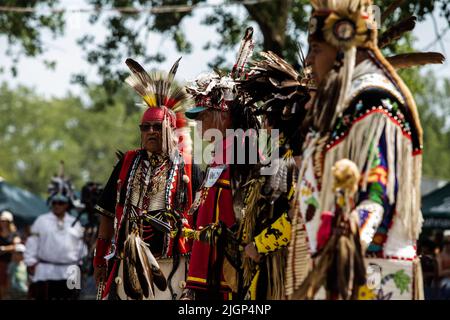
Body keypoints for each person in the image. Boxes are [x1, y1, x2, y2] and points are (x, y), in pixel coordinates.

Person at [288, 0, 443, 300]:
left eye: (316, 49)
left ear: (343, 43)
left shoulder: (373, 102)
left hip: (365, 278)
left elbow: (376, 194)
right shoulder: (349, 103)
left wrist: (343, 250)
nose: (308, 61)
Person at [93, 58, 196, 300]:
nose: (151, 132)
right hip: (128, 263)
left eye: (157, 127)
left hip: (174, 264)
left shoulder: (188, 169)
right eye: (145, 127)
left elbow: (200, 220)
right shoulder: (126, 164)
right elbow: (107, 214)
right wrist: (99, 259)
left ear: (170, 129)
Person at [182, 28, 259, 300]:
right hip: (208, 275)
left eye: (204, 116)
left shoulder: (245, 148)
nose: (198, 123)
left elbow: (244, 211)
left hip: (229, 275)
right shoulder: (221, 151)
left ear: (224, 117)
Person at [235, 50, 313, 300]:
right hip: (272, 265)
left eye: (269, 115)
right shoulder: (282, 154)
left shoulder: (297, 160)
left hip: (289, 266)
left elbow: (297, 217)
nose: (264, 123)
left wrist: (260, 244)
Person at [25, 185, 86, 300]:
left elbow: (81, 246)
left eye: (61, 203)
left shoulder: (75, 222)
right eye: (54, 203)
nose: (57, 205)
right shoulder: (41, 220)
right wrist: (30, 262)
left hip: (71, 271)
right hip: (45, 271)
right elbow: (32, 243)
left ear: (67, 205)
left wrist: (80, 263)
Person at [0, 210, 21, 299]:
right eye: (2, 220)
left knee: (6, 285)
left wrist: (4, 249)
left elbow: (17, 245)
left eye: (5, 221)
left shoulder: (14, 234)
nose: (3, 222)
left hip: (9, 263)